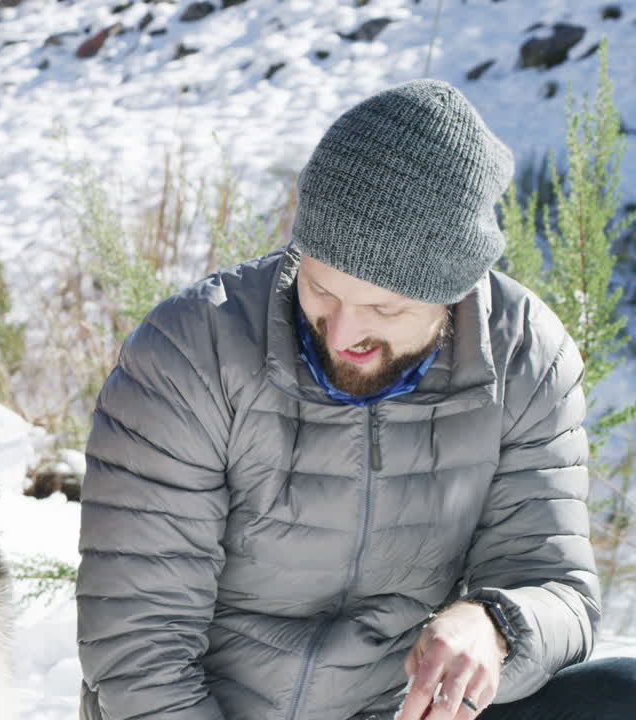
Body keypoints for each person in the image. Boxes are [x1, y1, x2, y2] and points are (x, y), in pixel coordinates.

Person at [77, 79, 636, 720]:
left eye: (384, 308)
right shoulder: (190, 350)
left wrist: (496, 623)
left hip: (402, 708)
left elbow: (554, 581)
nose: (343, 334)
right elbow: (140, 647)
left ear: (454, 291)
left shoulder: (524, 354)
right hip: (215, 711)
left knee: (620, 697)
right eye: (320, 290)